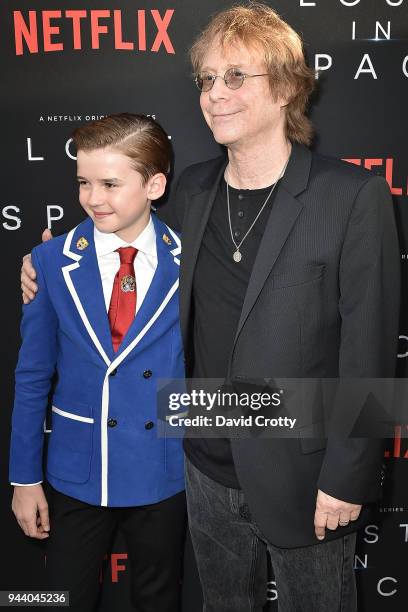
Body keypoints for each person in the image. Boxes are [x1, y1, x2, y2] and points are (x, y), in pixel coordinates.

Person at [21, 4, 401, 612]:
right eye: (206, 79)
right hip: (200, 466)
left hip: (304, 476)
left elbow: (370, 346)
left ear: (284, 86)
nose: (214, 95)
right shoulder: (192, 189)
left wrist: (347, 476)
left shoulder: (350, 195)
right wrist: (42, 261)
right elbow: (117, 230)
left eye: (235, 77)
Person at [11, 113, 186, 612]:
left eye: (111, 183)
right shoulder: (50, 262)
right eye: (84, 182)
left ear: (154, 184)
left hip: (162, 469)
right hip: (77, 469)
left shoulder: (191, 262)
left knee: (158, 596)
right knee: (63, 596)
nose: (93, 198)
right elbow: (31, 379)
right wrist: (24, 479)